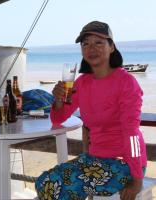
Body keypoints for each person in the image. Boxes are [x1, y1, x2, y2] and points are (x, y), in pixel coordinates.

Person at [35, 21, 147, 200]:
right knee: (42, 182)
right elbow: (58, 119)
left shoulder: (126, 83)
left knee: (56, 187)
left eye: (98, 42)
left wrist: (137, 179)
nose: (91, 48)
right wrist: (57, 100)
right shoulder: (82, 82)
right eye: (85, 43)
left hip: (124, 162)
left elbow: (132, 134)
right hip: (94, 158)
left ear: (112, 47)